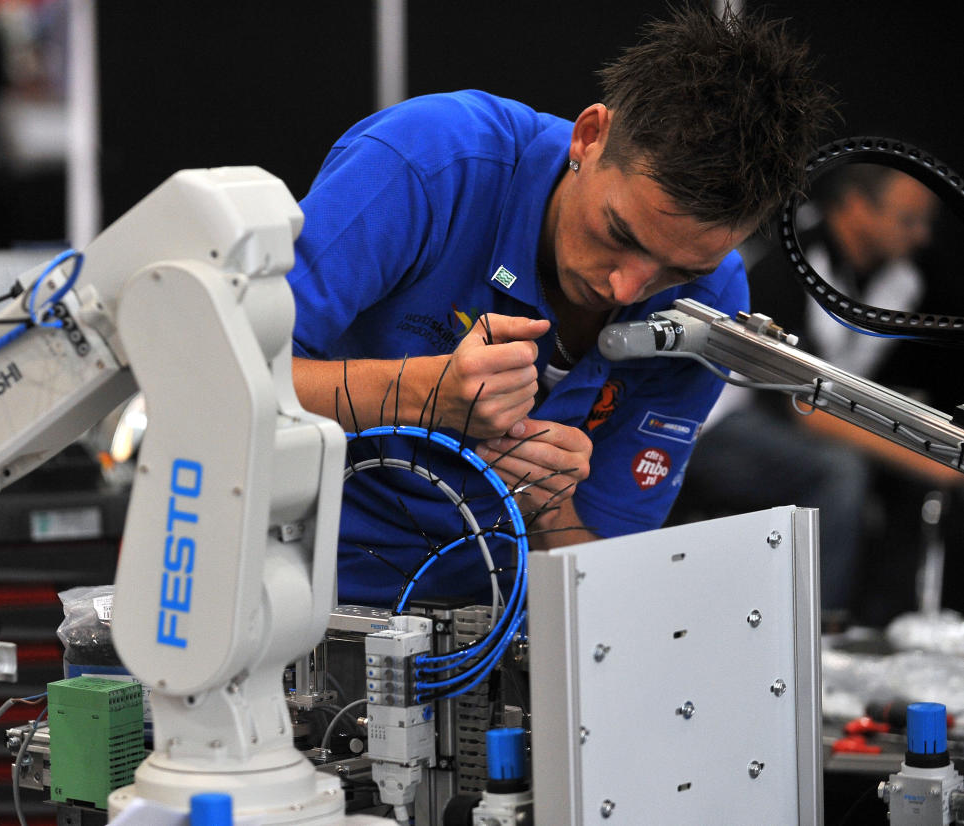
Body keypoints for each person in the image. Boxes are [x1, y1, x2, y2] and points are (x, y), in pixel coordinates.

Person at [284, 4, 835, 607]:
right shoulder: (432, 162)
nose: (627, 289)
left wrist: (548, 503)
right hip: (298, 603)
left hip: (501, 643)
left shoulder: (710, 302)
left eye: (679, 269)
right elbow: (216, 383)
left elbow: (603, 581)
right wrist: (427, 394)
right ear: (589, 136)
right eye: (620, 234)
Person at [675, 164, 954, 618]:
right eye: (908, 220)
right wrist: (934, 458)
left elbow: (860, 390)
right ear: (856, 207)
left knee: (900, 467)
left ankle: (894, 624)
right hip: (714, 423)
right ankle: (820, 632)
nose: (922, 236)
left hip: (801, 419)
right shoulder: (781, 262)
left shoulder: (904, 281)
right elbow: (797, 401)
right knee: (840, 470)